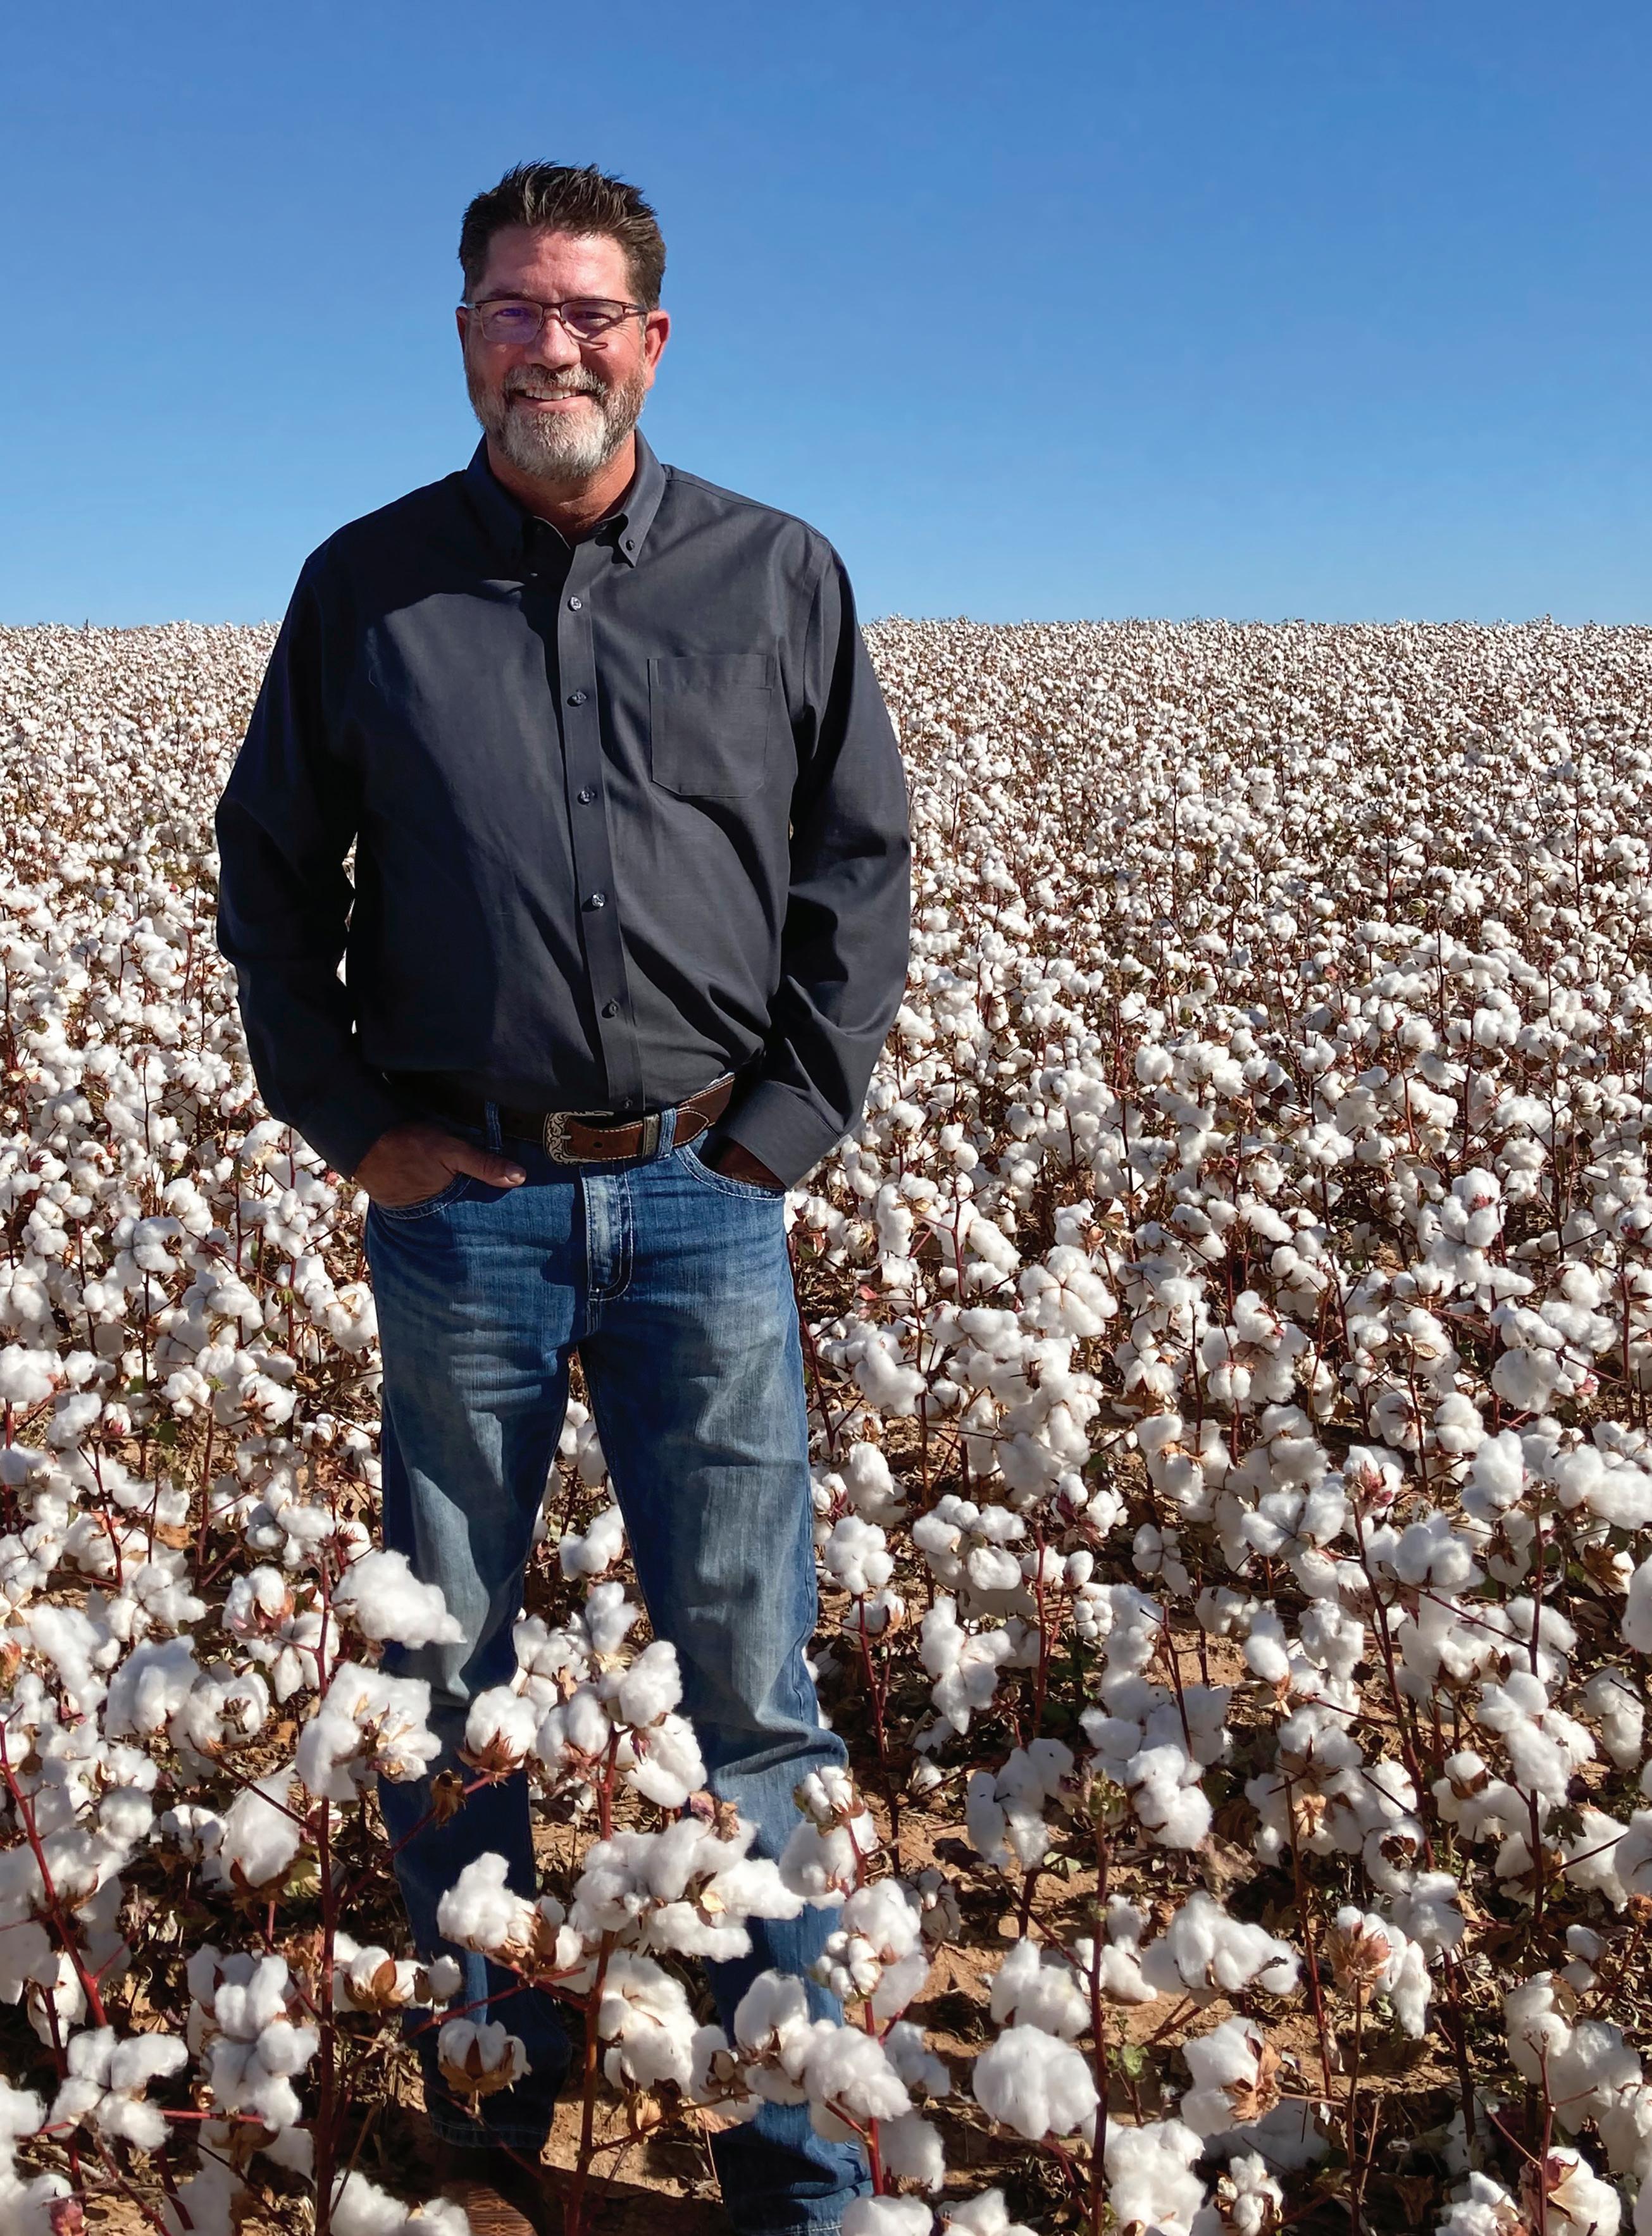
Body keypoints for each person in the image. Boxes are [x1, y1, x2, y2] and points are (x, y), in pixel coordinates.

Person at [214, 162, 910, 2236]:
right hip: (465, 1206)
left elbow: (854, 870)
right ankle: (490, 2108)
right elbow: (271, 876)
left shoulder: (777, 574)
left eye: (588, 312)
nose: (552, 347)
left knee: (751, 1690)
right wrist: (354, 1125)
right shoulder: (365, 589)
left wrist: (779, 1131)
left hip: (705, 1194)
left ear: (652, 342)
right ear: (465, 337)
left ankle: (795, 2162)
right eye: (513, 310)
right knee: (443, 1672)